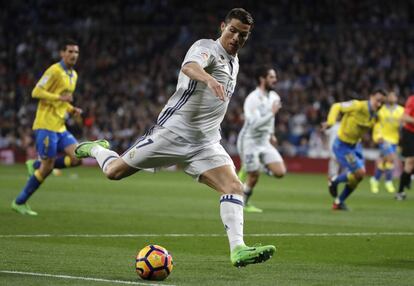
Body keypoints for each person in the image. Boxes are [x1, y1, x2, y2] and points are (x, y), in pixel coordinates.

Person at [74, 8, 275, 267]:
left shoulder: (235, 62)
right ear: (222, 26)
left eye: (243, 35)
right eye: (232, 30)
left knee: (235, 187)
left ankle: (238, 250)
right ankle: (95, 148)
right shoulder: (206, 48)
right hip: (172, 133)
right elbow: (190, 66)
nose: (236, 37)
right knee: (113, 172)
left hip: (206, 143)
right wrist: (209, 79)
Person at [11, 39, 88, 216]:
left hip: (60, 127)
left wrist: (71, 109)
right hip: (46, 125)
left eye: (76, 52)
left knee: (77, 158)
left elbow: (65, 101)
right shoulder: (54, 70)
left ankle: (35, 163)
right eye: (70, 51)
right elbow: (36, 92)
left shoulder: (73, 75)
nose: (73, 55)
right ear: (62, 53)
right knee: (47, 168)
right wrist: (58, 98)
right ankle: (19, 202)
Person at [322, 90, 386, 210]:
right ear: (371, 97)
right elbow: (336, 106)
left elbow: (377, 129)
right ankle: (334, 180)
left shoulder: (377, 115)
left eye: (382, 102)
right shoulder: (358, 106)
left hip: (356, 146)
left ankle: (338, 202)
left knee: (358, 177)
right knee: (360, 172)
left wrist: (378, 138)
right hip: (342, 145)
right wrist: (331, 122)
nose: (379, 104)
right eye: (377, 100)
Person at [236, 67, 286, 213]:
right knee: (254, 175)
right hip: (249, 140)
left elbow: (271, 120)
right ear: (262, 79)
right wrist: (271, 113)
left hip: (264, 141)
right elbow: (254, 124)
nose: (275, 80)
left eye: (274, 77)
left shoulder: (275, 97)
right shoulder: (252, 99)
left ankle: (250, 166)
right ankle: (244, 203)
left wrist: (272, 134)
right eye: (271, 77)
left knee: (280, 172)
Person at [369, 91, 404, 194]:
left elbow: (403, 125)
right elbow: (375, 123)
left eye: (394, 95)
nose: (392, 97)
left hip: (395, 139)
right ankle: (388, 181)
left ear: (397, 98)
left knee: (386, 161)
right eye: (390, 96)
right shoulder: (381, 110)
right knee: (391, 158)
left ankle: (375, 179)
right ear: (387, 98)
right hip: (383, 138)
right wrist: (377, 136)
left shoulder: (401, 110)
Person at [396, 95, 414, 200]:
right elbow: (404, 117)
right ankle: (400, 191)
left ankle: (407, 179)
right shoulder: (412, 99)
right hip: (410, 133)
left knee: (411, 164)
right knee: (410, 161)